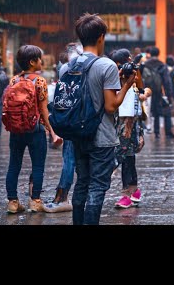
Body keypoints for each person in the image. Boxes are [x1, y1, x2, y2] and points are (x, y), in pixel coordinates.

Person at [61, 13, 136, 225]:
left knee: (82, 181)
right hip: (101, 135)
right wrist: (127, 85)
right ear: (101, 37)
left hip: (77, 133)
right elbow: (111, 106)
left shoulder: (68, 66)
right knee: (97, 185)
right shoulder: (107, 66)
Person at [5, 45, 62, 214]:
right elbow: (44, 110)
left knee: (14, 165)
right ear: (32, 62)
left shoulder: (14, 80)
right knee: (38, 166)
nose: (41, 62)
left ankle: (13, 202)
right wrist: (51, 131)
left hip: (16, 129)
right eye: (39, 59)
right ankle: (35, 201)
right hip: (35, 130)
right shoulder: (40, 81)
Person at [43, 42, 83, 213]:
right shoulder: (86, 66)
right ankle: (71, 195)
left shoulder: (64, 68)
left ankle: (63, 196)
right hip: (82, 118)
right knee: (76, 159)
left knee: (70, 159)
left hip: (69, 118)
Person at [110, 49, 149, 209]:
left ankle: (126, 195)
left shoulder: (135, 77)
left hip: (130, 126)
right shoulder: (114, 77)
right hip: (119, 124)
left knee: (126, 158)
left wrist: (143, 90)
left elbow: (144, 91)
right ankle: (134, 191)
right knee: (128, 158)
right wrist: (119, 76)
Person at [142, 46, 174, 139]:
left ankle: (156, 132)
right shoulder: (162, 65)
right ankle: (168, 132)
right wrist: (169, 95)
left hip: (148, 92)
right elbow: (167, 81)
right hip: (160, 91)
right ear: (158, 54)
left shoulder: (145, 64)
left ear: (150, 54)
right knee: (167, 111)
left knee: (155, 112)